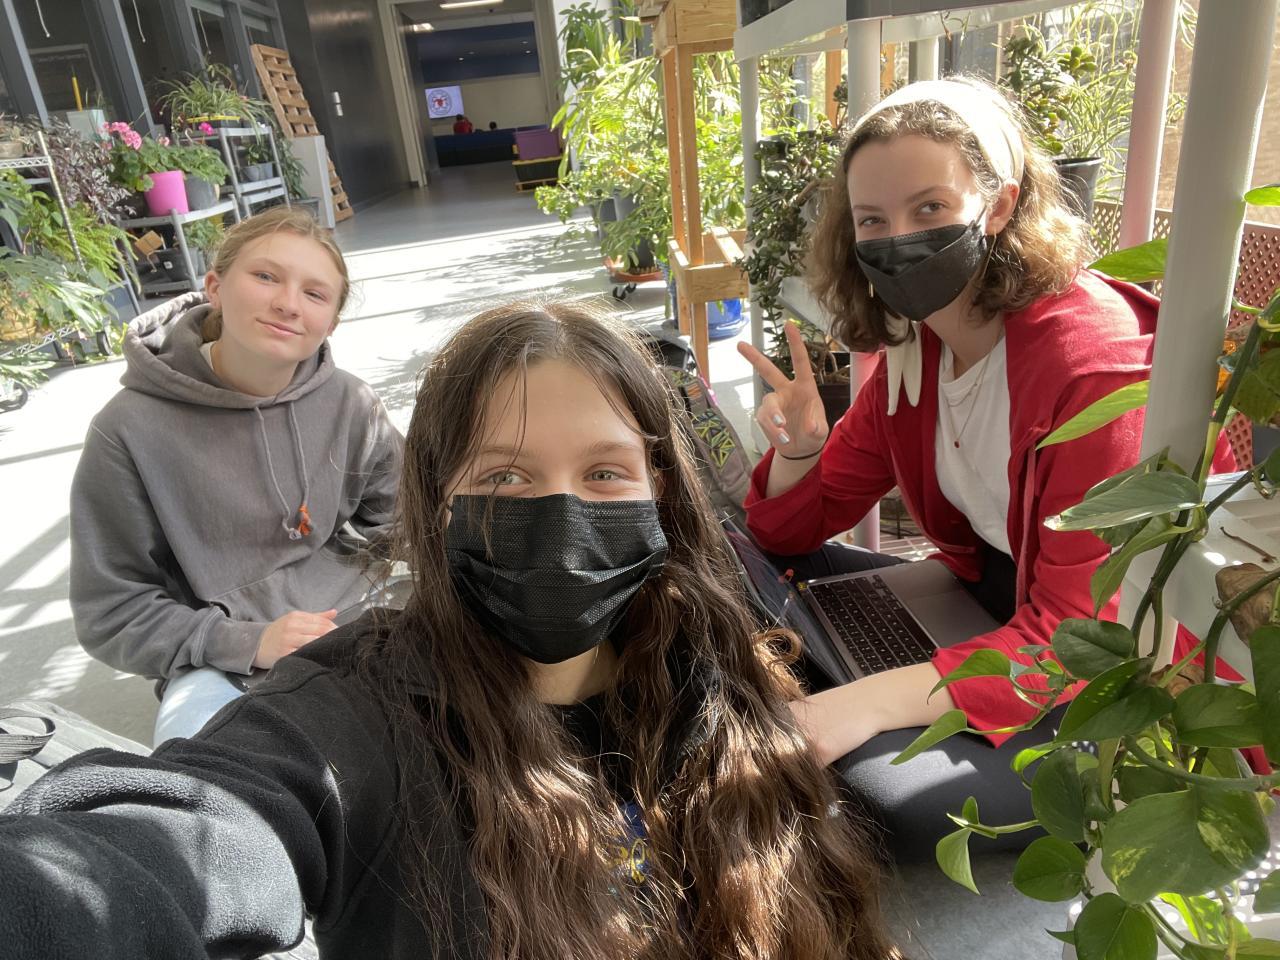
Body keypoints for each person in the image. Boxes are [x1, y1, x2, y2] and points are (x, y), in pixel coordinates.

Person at [0, 301, 896, 960]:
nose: (561, 516)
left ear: (660, 490)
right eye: (504, 478)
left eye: (604, 473)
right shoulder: (353, 718)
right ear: (438, 501)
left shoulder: (709, 668)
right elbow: (179, 841)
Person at [737, 77, 1175, 858]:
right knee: (741, 562)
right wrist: (800, 452)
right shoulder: (919, 354)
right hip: (988, 605)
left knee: (886, 792)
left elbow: (1079, 640)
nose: (897, 239)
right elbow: (786, 533)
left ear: (999, 206)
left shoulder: (1094, 366)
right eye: (873, 220)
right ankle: (864, 676)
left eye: (930, 208)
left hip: (1114, 675)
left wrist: (863, 704)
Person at [68, 206, 403, 746]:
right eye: (266, 276)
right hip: (224, 659)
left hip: (359, 616)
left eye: (315, 294)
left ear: (331, 323)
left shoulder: (351, 402)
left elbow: (408, 521)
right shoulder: (126, 429)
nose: (288, 304)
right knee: (210, 774)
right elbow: (111, 611)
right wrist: (246, 641)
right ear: (215, 287)